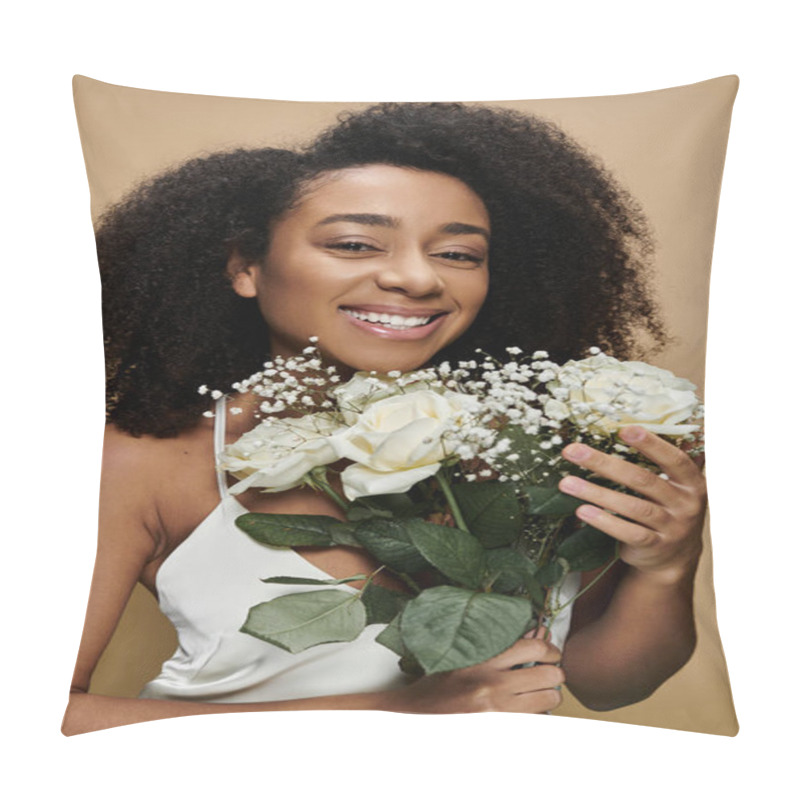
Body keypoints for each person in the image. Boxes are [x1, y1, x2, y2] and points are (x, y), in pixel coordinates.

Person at [62, 103, 707, 735]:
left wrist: (667, 566)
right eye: (354, 243)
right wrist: (397, 715)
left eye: (458, 254)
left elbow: (601, 684)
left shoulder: (530, 447)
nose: (415, 277)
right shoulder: (144, 459)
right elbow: (37, 719)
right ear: (246, 266)